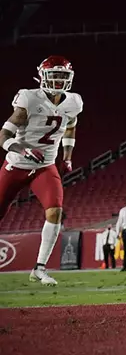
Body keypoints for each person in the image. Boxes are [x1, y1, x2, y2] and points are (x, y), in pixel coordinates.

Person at [0, 56, 84, 285]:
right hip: (16, 164)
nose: (57, 80)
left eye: (62, 76)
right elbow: (4, 136)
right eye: (54, 75)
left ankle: (39, 268)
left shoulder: (73, 102)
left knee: (55, 211)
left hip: (44, 166)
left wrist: (67, 158)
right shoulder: (28, 97)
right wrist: (23, 150)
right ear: (42, 76)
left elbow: (70, 129)